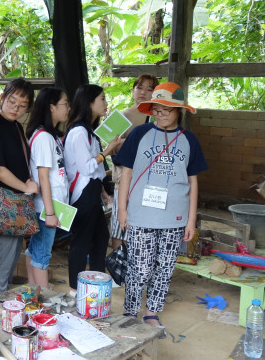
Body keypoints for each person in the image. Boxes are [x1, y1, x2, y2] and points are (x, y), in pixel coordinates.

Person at [115, 82, 207, 332]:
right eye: (156, 109)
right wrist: (122, 209)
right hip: (141, 215)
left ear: (179, 110)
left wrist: (190, 221)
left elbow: (193, 181)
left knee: (164, 268)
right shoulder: (139, 134)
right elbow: (126, 173)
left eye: (166, 109)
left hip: (174, 218)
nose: (160, 114)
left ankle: (152, 312)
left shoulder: (189, 140)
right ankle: (131, 311)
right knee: (139, 267)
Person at [0, 78, 38, 296]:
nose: (16, 108)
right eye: (12, 102)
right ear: (2, 98)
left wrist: (28, 181)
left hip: (14, 200)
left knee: (11, 255)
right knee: (1, 258)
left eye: (22, 105)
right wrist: (26, 186)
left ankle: (1, 304)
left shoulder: (15, 126)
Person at [64, 84, 122, 296]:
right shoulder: (79, 131)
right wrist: (107, 150)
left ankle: (98, 279)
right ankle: (74, 288)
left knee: (100, 236)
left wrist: (102, 189)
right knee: (82, 239)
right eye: (102, 99)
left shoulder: (88, 131)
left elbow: (95, 170)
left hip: (92, 190)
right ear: (89, 102)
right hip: (82, 193)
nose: (106, 104)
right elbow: (86, 166)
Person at [23, 87, 70, 289]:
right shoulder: (43, 137)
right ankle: (43, 299)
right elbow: (43, 176)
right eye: (65, 103)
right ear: (51, 107)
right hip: (45, 208)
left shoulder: (51, 136)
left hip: (50, 206)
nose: (68, 108)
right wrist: (50, 213)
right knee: (42, 254)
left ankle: (32, 290)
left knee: (34, 250)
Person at [109, 74, 159, 249]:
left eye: (150, 89)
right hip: (124, 181)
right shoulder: (121, 116)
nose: (143, 92)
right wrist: (134, 141)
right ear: (132, 90)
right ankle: (119, 270)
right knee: (119, 230)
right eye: (139, 87)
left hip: (150, 183)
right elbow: (110, 149)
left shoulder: (159, 117)